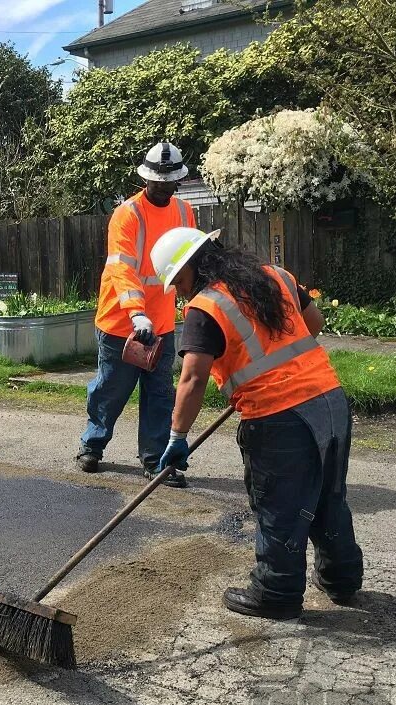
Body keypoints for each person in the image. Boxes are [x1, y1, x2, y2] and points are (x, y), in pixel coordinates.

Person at [151, 227, 364, 619]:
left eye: (178, 281)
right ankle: (342, 578)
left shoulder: (205, 306)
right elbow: (312, 323)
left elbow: (193, 378)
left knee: (278, 504)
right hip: (329, 400)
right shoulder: (274, 276)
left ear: (196, 266)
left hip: (280, 417)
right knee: (327, 494)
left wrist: (177, 436)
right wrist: (260, 370)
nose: (179, 293)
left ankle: (276, 591)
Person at [77, 142, 196, 487]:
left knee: (160, 394)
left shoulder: (186, 213)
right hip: (121, 322)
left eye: (167, 181)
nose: (161, 186)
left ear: (178, 181)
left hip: (160, 324)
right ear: (146, 179)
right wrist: (136, 314)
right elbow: (122, 269)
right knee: (111, 388)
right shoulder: (127, 214)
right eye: (155, 180)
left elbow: (191, 265)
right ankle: (93, 444)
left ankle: (156, 461)